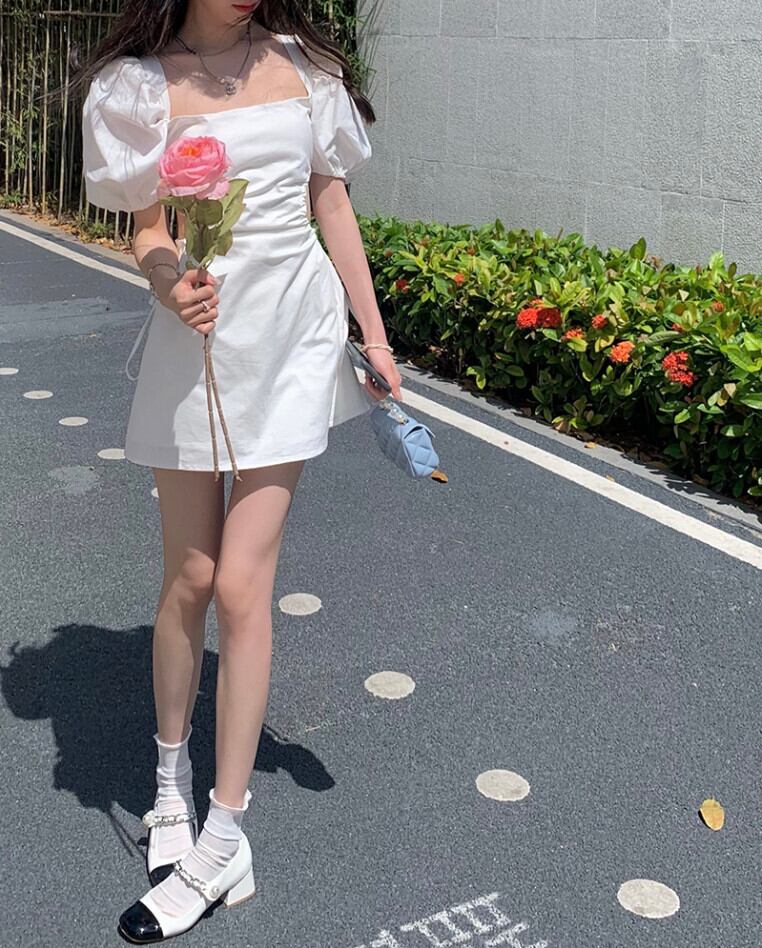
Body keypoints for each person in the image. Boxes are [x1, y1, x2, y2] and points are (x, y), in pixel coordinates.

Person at [80, 1, 402, 942]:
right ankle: (169, 788)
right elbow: (148, 228)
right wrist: (166, 280)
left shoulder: (306, 66)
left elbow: (330, 202)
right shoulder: (139, 84)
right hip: (199, 336)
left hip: (293, 334)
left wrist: (375, 336)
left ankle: (225, 838)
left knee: (240, 582)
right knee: (188, 575)